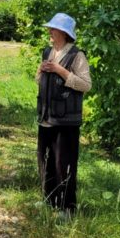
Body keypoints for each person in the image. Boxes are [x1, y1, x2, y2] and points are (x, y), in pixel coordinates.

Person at [36, 13, 92, 217]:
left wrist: (61, 71)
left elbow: (86, 85)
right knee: (45, 160)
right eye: (50, 28)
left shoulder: (77, 55)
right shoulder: (47, 52)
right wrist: (42, 71)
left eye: (54, 29)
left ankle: (67, 208)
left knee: (64, 163)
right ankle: (49, 200)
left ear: (65, 33)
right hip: (46, 116)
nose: (50, 32)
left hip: (67, 120)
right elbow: (38, 81)